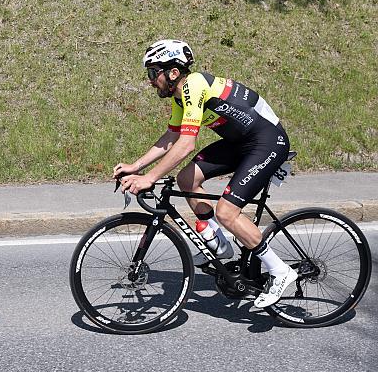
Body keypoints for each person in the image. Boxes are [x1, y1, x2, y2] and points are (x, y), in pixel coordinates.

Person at [113, 39, 297, 308]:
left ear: (173, 73)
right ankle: (220, 245)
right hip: (241, 144)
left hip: (266, 142)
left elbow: (187, 144)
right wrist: (137, 166)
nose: (151, 81)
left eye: (154, 73)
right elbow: (172, 136)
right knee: (186, 179)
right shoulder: (180, 96)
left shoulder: (194, 85)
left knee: (226, 212)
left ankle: (280, 271)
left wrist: (149, 178)